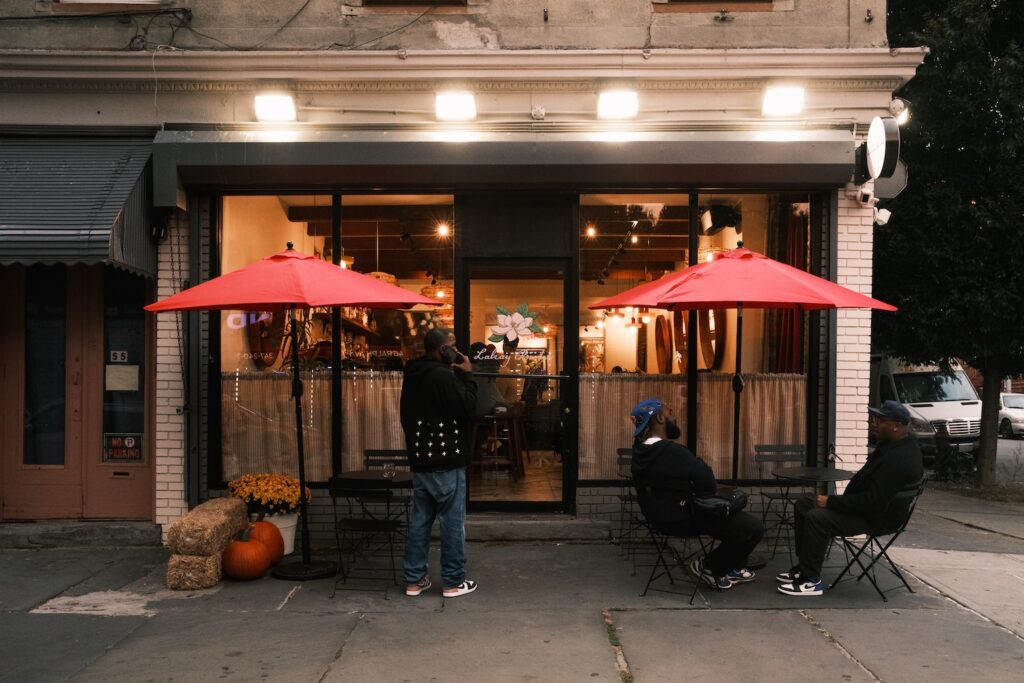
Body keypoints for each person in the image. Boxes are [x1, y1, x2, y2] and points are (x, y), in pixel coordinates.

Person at [777, 400, 924, 596]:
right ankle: (804, 566)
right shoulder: (893, 446)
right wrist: (834, 502)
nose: (873, 423)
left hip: (875, 518)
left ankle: (810, 581)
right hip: (865, 510)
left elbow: (872, 501)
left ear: (896, 426)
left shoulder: (898, 459)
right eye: (874, 418)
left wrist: (830, 502)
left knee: (817, 517)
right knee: (805, 504)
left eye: (880, 420)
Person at [630, 399, 764, 590]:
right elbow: (708, 482)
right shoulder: (673, 452)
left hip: (659, 519)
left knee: (735, 517)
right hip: (684, 517)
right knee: (752, 527)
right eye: (669, 412)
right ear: (660, 418)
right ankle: (709, 567)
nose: (674, 416)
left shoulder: (640, 453)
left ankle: (730, 566)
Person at [400, 328, 479, 598]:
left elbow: (407, 416)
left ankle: (414, 581)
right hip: (447, 459)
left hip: (421, 460)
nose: (457, 351)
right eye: (453, 346)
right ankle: (453, 582)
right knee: (452, 523)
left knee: (420, 521)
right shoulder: (443, 376)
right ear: (443, 349)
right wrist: (467, 374)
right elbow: (468, 408)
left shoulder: (413, 375)